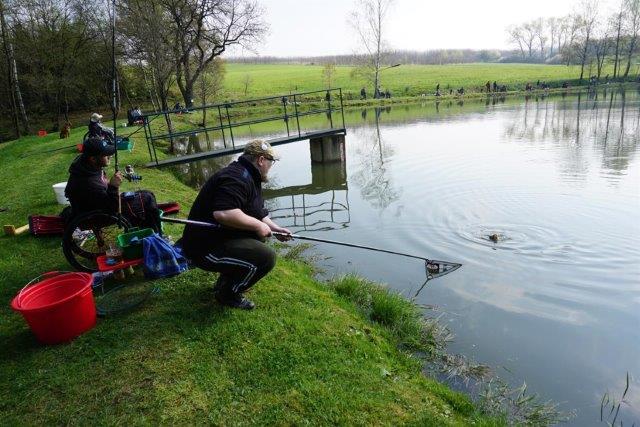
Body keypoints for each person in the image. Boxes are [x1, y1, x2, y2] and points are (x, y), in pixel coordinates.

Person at [180, 140, 292, 310]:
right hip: (203, 249)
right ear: (261, 160)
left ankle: (226, 281)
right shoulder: (236, 177)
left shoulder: (249, 176)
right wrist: (258, 226)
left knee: (257, 237)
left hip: (218, 239)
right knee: (266, 257)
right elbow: (224, 213)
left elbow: (258, 212)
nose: (271, 166)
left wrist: (275, 229)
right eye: (271, 162)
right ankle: (228, 294)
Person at [64, 137, 161, 231]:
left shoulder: (86, 165)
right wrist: (113, 186)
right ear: (93, 159)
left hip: (100, 203)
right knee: (147, 199)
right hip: (98, 216)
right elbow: (113, 208)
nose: (110, 156)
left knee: (147, 193)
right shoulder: (89, 183)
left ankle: (147, 230)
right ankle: (156, 235)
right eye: (106, 155)